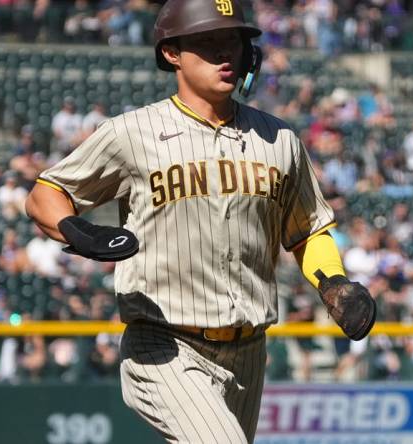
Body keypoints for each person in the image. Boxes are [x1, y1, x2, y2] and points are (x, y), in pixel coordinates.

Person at [25, 1, 376, 442]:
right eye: (207, 43)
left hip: (249, 350)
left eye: (231, 40)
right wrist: (80, 230)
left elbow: (307, 230)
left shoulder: (279, 139)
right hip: (166, 345)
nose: (224, 54)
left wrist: (333, 282)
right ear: (172, 53)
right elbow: (45, 194)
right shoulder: (133, 133)